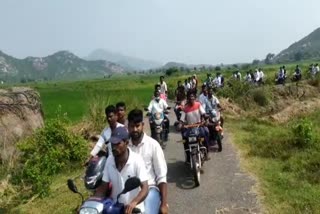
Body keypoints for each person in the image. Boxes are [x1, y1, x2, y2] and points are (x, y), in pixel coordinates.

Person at [93, 127, 149, 214]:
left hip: (134, 210)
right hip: (115, 208)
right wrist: (92, 203)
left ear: (126, 143)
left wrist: (134, 203)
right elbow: (103, 187)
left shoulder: (137, 160)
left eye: (117, 143)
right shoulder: (109, 160)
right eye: (112, 144)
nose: (113, 147)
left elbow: (145, 188)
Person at [127, 109, 169, 214]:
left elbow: (161, 176)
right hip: (129, 190)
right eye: (132, 126)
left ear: (143, 125)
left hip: (150, 189)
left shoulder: (153, 145)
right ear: (128, 127)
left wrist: (164, 204)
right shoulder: (125, 147)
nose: (135, 129)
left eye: (137, 126)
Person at [180, 91, 209, 163]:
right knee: (184, 138)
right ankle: (187, 156)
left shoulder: (198, 105)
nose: (191, 99)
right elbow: (182, 119)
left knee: (206, 132)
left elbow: (203, 113)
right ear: (188, 99)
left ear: (195, 98)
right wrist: (180, 124)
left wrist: (205, 117)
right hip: (189, 128)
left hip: (199, 126)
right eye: (190, 97)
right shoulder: (185, 108)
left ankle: (206, 152)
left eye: (192, 97)